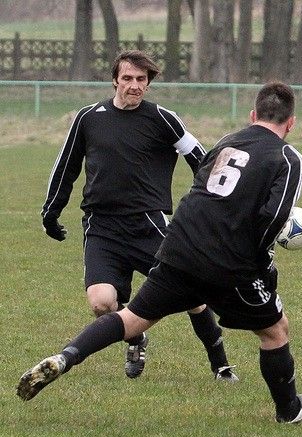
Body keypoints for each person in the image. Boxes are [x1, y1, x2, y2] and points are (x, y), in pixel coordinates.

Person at [18, 81, 302, 424]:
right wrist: (263, 265)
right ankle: (290, 410)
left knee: (131, 319)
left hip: (178, 247)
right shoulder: (290, 158)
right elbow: (273, 217)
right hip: (229, 262)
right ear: (291, 123)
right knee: (275, 330)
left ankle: (65, 357)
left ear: (253, 115)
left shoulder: (226, 142)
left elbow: (200, 190)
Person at [39, 50, 235, 382]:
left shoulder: (163, 118)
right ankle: (135, 337)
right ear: (115, 80)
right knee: (101, 303)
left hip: (148, 225)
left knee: (192, 294)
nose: (134, 85)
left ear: (148, 82)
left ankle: (221, 366)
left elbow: (201, 159)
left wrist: (214, 205)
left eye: (141, 79)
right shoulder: (89, 118)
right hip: (102, 227)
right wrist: (51, 212)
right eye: (127, 78)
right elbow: (66, 166)